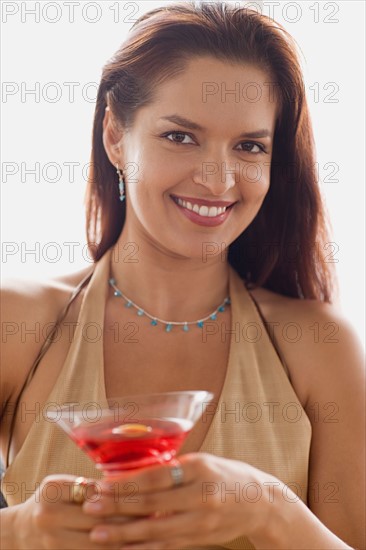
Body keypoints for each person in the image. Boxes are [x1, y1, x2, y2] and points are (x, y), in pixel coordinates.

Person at [0, 2, 364, 549]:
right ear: (116, 138)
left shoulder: (320, 346)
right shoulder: (18, 324)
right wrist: (19, 530)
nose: (218, 180)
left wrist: (271, 512)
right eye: (180, 137)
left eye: (249, 146)